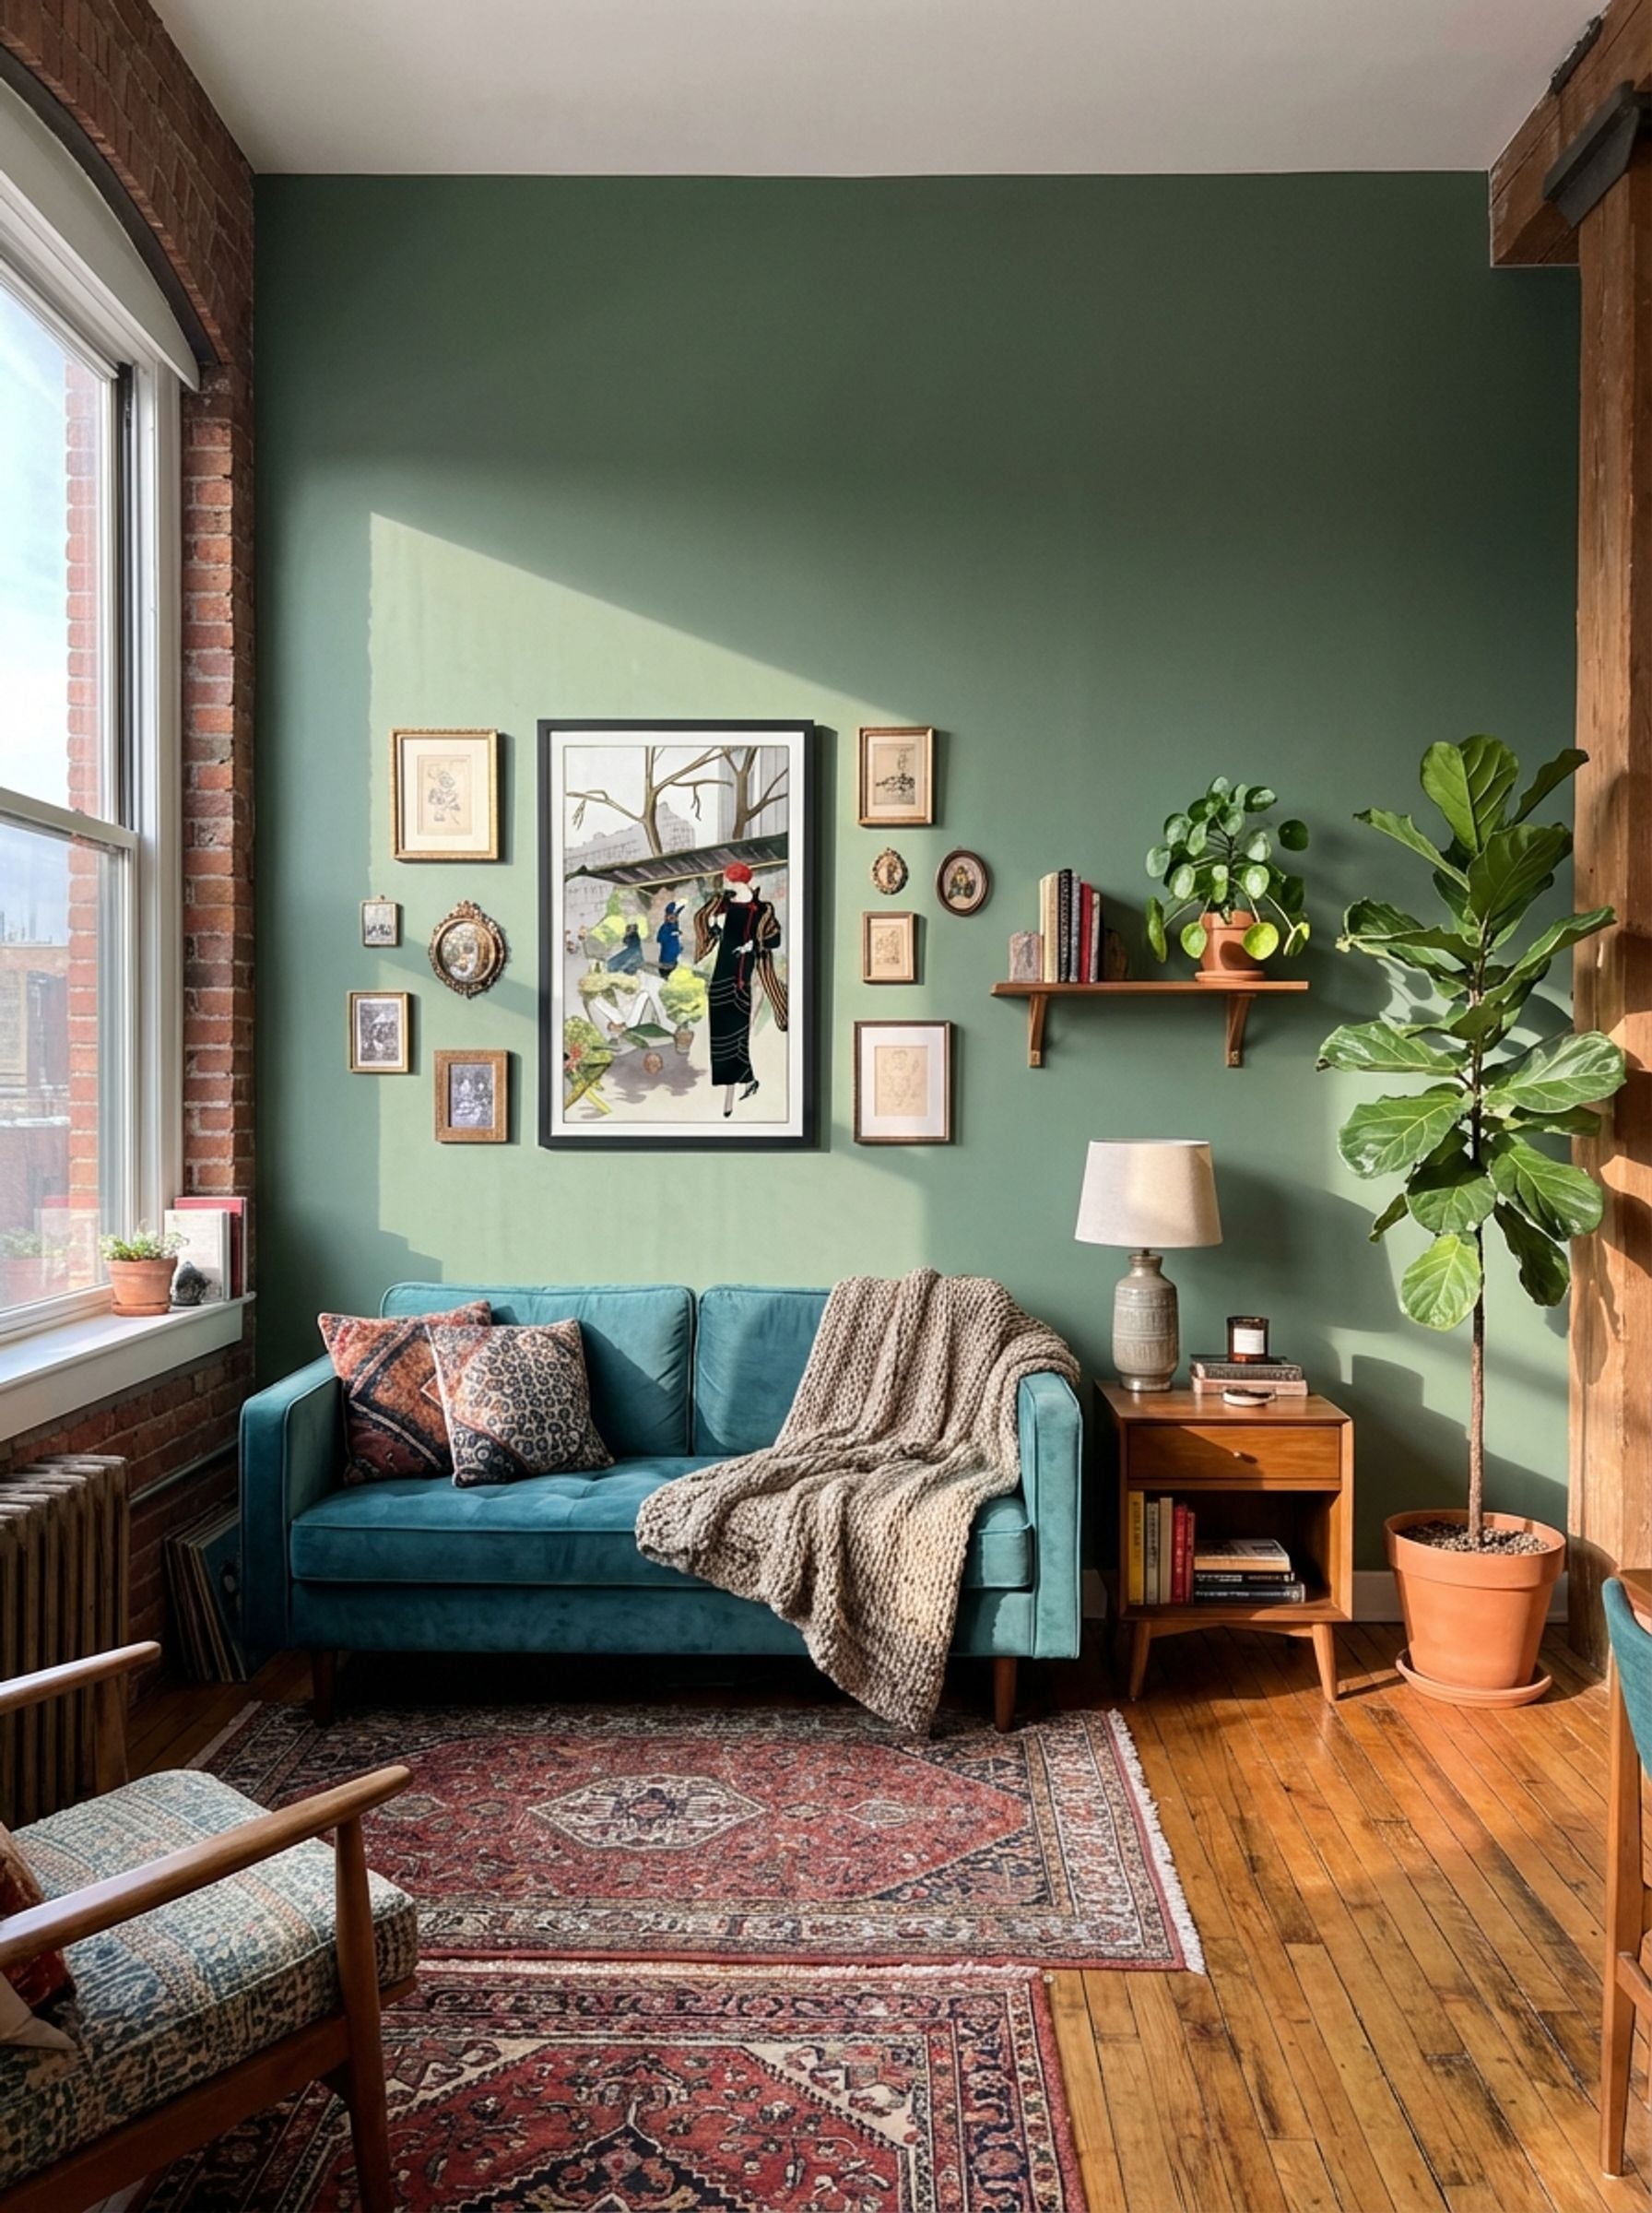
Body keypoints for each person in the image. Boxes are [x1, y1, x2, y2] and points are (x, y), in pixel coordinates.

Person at [693, 862, 786, 1117]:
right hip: (720, 976)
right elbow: (703, 923)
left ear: (734, 879)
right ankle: (747, 1080)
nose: (724, 882)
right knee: (721, 1035)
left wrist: (753, 944)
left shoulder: (762, 909)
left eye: (727, 878)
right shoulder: (723, 904)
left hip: (740, 978)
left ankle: (733, 1096)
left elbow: (774, 939)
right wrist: (714, 924)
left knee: (735, 1035)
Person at [655, 901, 683, 977]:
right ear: (666, 917)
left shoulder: (674, 925)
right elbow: (659, 939)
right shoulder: (665, 927)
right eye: (671, 917)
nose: (673, 918)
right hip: (666, 959)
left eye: (675, 917)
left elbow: (677, 914)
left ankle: (667, 974)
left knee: (671, 971)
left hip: (673, 958)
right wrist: (671, 934)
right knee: (665, 972)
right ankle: (664, 975)